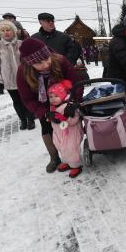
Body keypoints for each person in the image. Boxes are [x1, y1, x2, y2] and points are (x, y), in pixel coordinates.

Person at [16, 38, 83, 173]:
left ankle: (74, 157)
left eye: (47, 59)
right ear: (30, 64)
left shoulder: (60, 60)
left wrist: (73, 103)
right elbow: (27, 99)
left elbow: (77, 84)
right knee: (48, 130)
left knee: (70, 131)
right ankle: (54, 157)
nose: (46, 64)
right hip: (43, 106)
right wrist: (44, 113)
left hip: (65, 103)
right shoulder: (23, 72)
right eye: (39, 63)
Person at [0, 20, 36, 130]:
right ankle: (23, 120)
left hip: (24, 78)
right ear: (0, 32)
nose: (6, 32)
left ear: (14, 31)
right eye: (3, 30)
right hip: (9, 79)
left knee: (26, 99)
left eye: (8, 30)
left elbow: (30, 61)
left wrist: (31, 76)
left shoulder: (21, 44)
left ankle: (30, 119)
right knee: (16, 101)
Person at [47, 80, 83, 178]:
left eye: (56, 96)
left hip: (71, 133)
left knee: (71, 149)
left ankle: (76, 165)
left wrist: (65, 118)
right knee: (60, 147)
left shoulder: (69, 106)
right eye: (51, 97)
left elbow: (75, 119)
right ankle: (67, 161)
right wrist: (50, 117)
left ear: (63, 95)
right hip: (59, 133)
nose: (53, 99)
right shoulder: (53, 107)